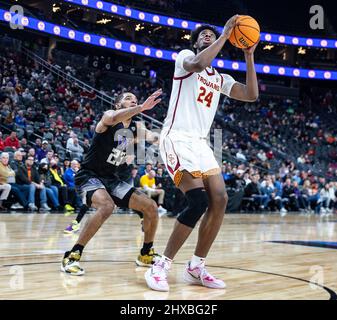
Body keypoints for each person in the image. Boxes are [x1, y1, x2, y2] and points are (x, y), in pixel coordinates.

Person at [146, 17, 259, 291]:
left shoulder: (220, 78)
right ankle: (160, 265)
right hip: (176, 139)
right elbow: (198, 64)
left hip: (200, 144)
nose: (208, 36)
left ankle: (196, 267)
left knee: (220, 199)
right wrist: (224, 34)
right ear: (195, 42)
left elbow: (251, 94)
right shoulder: (185, 58)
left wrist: (248, 55)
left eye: (212, 34)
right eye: (204, 35)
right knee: (197, 202)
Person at [61, 89, 162, 275]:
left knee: (151, 207)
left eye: (135, 99)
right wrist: (141, 107)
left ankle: (146, 253)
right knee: (107, 206)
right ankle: (72, 254)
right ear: (117, 104)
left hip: (111, 179)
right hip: (88, 175)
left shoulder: (136, 128)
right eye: (128, 98)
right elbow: (112, 117)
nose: (133, 100)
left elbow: (154, 137)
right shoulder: (109, 117)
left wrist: (178, 138)